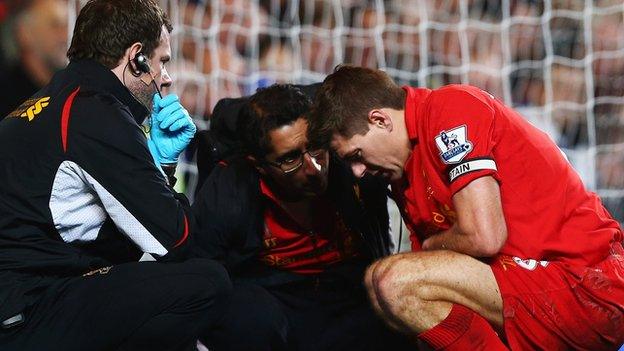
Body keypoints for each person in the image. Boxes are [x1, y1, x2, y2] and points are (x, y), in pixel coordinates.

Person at [307, 65, 624, 350]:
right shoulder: (403, 174)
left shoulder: (449, 108)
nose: (358, 171)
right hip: (528, 292)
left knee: (394, 281)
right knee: (382, 289)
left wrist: (432, 245)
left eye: (356, 155)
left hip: (587, 286)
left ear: (380, 120)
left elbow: (485, 236)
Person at [0, 1, 231, 350]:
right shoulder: (95, 112)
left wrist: (160, 166)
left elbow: (117, 238)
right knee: (208, 282)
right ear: (137, 57)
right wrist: (165, 167)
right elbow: (176, 240)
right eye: (162, 61)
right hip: (29, 311)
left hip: (21, 300)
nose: (166, 78)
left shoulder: (50, 101)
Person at [192, 84, 411, 351]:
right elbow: (202, 277)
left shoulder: (354, 163)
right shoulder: (228, 192)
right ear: (259, 166)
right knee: (248, 319)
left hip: (348, 289)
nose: (314, 168)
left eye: (316, 146)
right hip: (274, 297)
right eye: (290, 159)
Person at [0, 0, 68, 119]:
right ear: (25, 34)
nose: (65, 35)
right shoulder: (5, 99)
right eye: (55, 25)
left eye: (67, 25)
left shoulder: (71, 90)